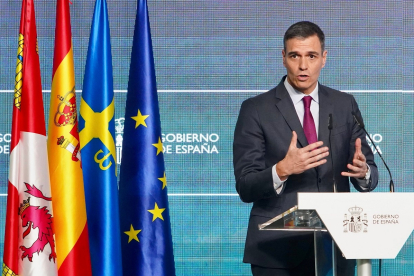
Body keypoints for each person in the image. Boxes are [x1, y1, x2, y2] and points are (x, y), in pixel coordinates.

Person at [233, 21, 378, 276]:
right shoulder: (255, 109)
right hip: (277, 253)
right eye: (295, 56)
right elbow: (246, 185)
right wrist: (282, 170)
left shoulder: (345, 104)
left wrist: (363, 171)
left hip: (337, 246)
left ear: (324, 58)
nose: (303, 66)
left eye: (311, 56)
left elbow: (370, 176)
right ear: (283, 58)